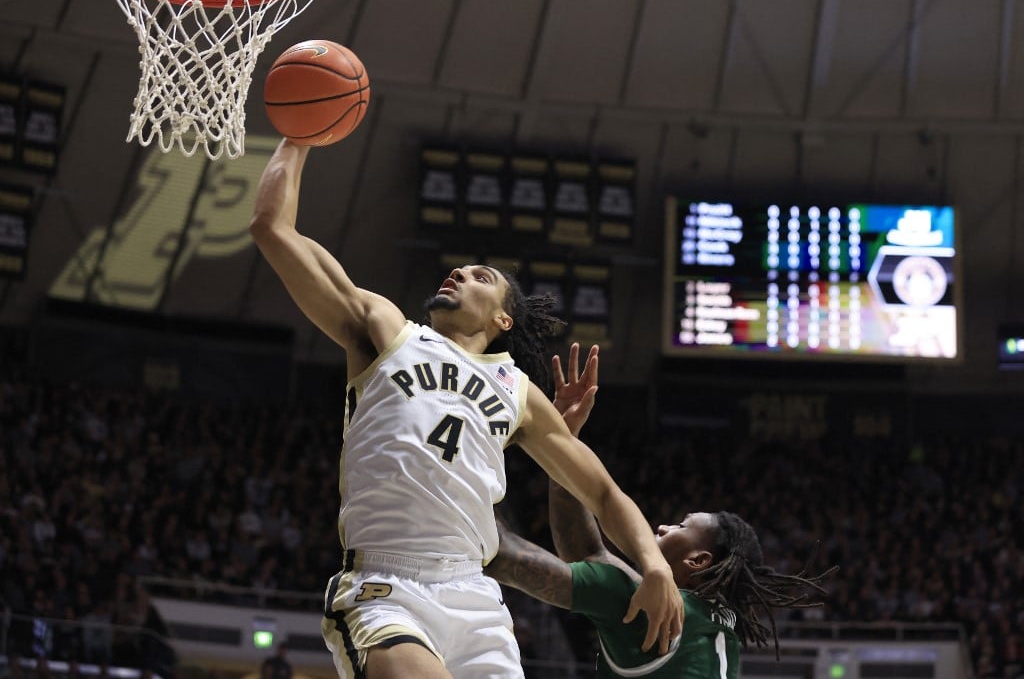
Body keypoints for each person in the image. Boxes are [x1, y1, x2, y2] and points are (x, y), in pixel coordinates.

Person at [248, 139, 683, 679]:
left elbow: (601, 491)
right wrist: (298, 138)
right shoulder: (388, 330)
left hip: (475, 596)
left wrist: (654, 565)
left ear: (503, 320)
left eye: (482, 277)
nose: (459, 273)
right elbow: (273, 229)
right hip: (387, 586)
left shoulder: (518, 391)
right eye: (461, 269)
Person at [486, 343, 837, 678]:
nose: (665, 527)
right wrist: (564, 447)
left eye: (681, 526)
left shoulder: (650, 611)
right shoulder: (713, 621)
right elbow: (587, 553)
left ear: (698, 561)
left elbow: (502, 553)